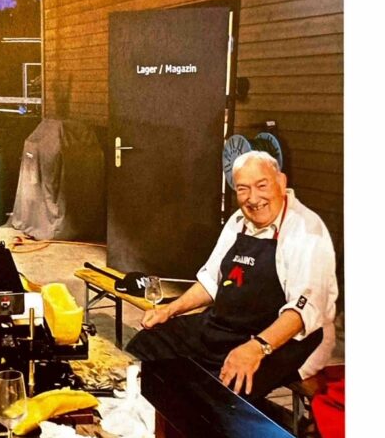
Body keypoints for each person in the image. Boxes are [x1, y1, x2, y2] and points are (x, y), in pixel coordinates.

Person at [126, 150, 338, 399]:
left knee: (219, 392)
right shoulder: (239, 220)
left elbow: (304, 311)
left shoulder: (306, 230)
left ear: (281, 182)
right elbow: (211, 281)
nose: (253, 198)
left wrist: (256, 348)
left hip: (284, 339)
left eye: (261, 185)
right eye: (243, 189)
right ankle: (150, 412)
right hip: (227, 326)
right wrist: (169, 310)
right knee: (149, 343)